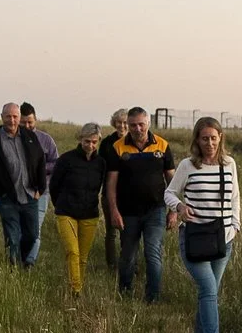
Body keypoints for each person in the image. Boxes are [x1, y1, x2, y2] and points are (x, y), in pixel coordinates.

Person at [164, 116, 241, 333]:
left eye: (214, 138)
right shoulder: (188, 165)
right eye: (205, 138)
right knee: (208, 289)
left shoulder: (229, 164)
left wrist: (235, 225)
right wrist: (179, 207)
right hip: (195, 238)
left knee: (209, 292)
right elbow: (169, 193)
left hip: (222, 239)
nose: (210, 143)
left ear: (220, 139)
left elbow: (235, 197)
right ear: (197, 139)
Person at [102, 108, 174, 302]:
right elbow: (110, 184)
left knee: (153, 254)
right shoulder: (117, 147)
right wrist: (114, 211)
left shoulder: (162, 145)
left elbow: (172, 181)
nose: (137, 128)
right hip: (128, 212)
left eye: (141, 124)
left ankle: (153, 298)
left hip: (155, 210)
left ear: (148, 124)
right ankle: (125, 295)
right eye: (133, 125)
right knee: (127, 257)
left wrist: (174, 210)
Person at [0, 101, 49, 267]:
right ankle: (12, 268)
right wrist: (0, 189)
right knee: (12, 237)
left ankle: (20, 259)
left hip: (30, 196)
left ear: (19, 118)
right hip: (8, 199)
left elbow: (41, 161)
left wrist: (40, 189)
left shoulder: (29, 137)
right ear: (1, 117)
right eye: (8, 117)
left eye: (14, 117)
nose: (11, 120)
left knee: (32, 235)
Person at [47, 122, 108, 294]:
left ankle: (78, 286)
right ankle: (76, 290)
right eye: (87, 141)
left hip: (89, 214)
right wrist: (59, 205)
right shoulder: (66, 160)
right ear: (81, 139)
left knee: (83, 256)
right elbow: (54, 186)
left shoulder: (101, 163)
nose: (90, 145)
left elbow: (100, 187)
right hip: (66, 212)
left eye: (94, 142)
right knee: (72, 251)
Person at [20, 103, 59, 267]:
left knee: (35, 227)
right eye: (23, 123)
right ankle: (18, 258)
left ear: (35, 119)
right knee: (21, 228)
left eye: (30, 122)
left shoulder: (46, 140)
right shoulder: (13, 139)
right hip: (19, 190)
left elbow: (56, 162)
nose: (27, 126)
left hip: (41, 191)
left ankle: (30, 261)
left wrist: (39, 169)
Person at [99, 108, 127, 269]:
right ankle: (111, 265)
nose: (122, 126)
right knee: (111, 231)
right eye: (119, 122)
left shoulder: (133, 141)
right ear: (114, 123)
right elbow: (101, 167)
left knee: (127, 232)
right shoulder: (107, 143)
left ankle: (128, 264)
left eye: (125, 123)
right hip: (109, 193)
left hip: (128, 194)